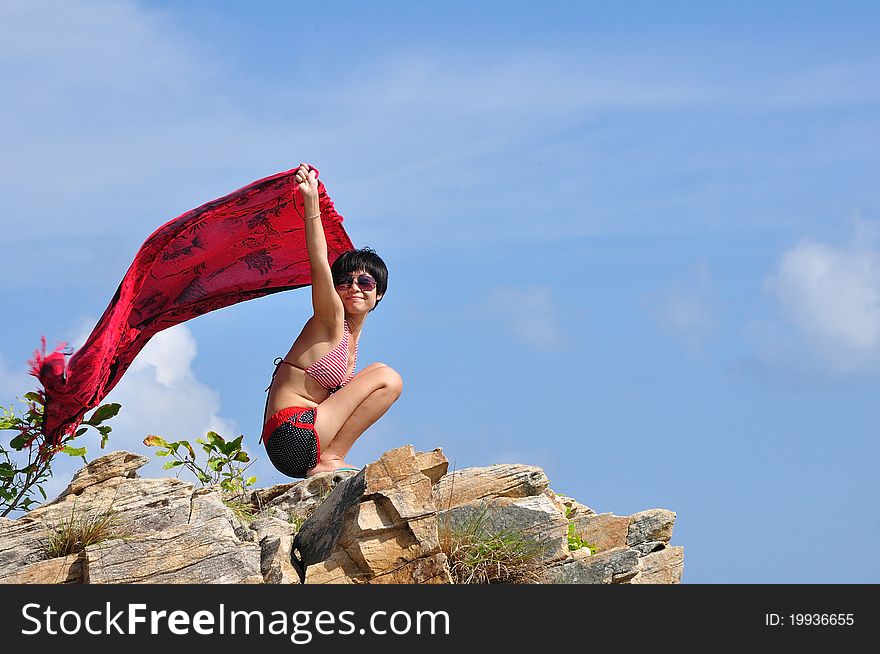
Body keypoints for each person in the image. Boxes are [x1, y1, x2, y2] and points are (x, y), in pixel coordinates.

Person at [260, 163, 402, 478]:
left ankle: (331, 457)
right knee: (389, 378)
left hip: (303, 435)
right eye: (345, 281)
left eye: (365, 283)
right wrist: (311, 204)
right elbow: (319, 263)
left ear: (378, 294)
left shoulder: (353, 339)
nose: (354, 287)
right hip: (292, 435)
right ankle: (332, 458)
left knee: (379, 371)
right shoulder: (331, 319)